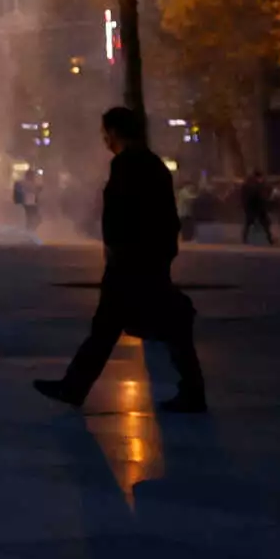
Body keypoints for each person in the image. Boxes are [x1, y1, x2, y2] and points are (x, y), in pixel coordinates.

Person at [37, 106, 209, 413]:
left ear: (115, 132)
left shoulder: (128, 165)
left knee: (130, 326)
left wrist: (119, 252)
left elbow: (123, 216)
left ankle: (74, 388)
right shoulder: (152, 164)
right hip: (145, 260)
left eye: (105, 132)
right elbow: (166, 218)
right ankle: (73, 387)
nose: (103, 138)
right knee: (117, 328)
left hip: (132, 263)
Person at [241, 173, 275, 245]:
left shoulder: (248, 186)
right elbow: (259, 197)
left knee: (248, 224)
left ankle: (244, 239)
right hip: (258, 208)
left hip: (252, 209)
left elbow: (245, 198)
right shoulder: (256, 186)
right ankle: (270, 239)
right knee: (265, 225)